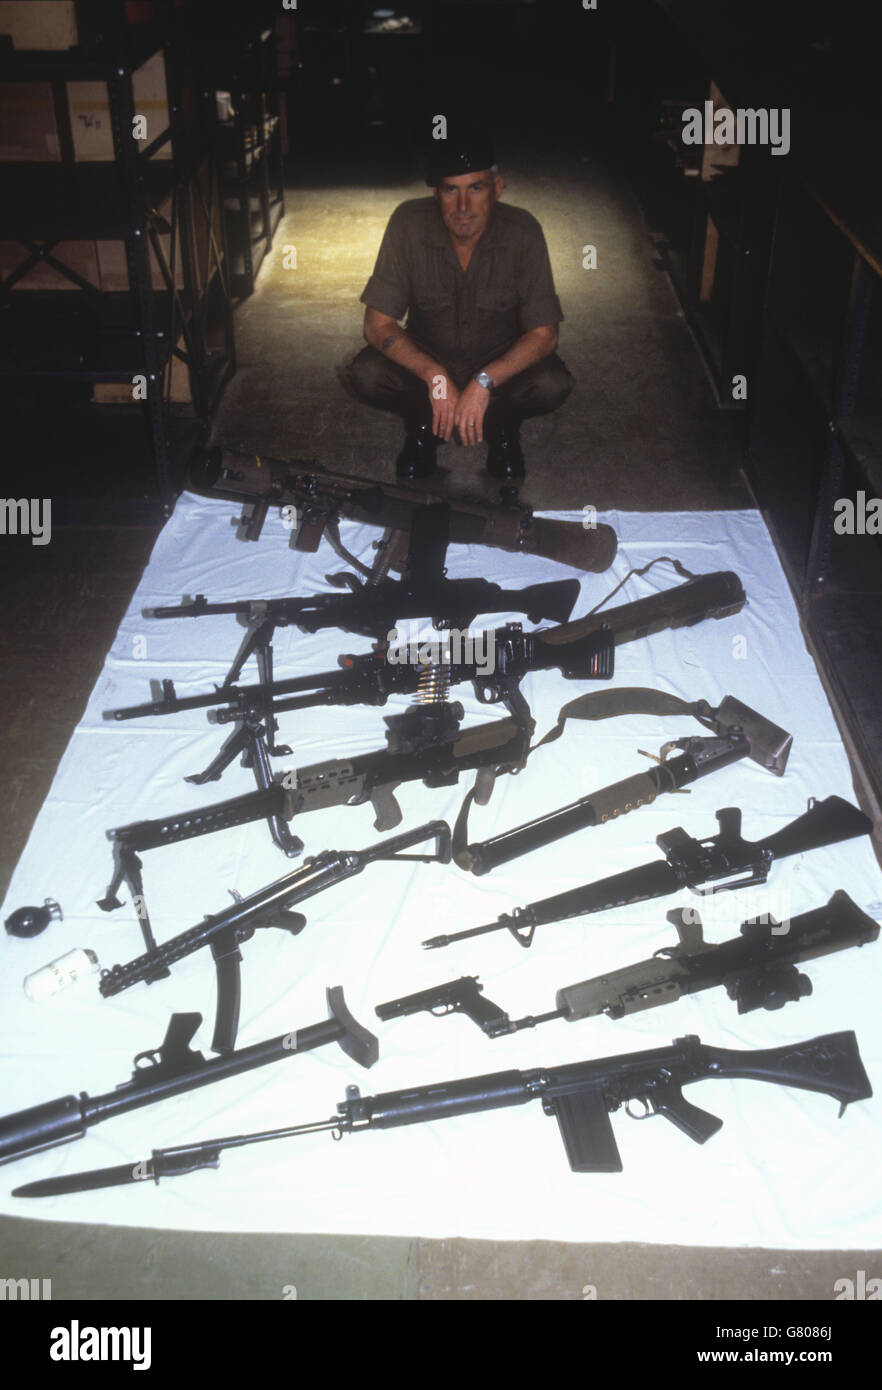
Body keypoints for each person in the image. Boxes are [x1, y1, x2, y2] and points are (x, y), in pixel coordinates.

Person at [346, 127, 573, 482]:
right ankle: (423, 426)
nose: (463, 207)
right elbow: (377, 324)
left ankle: (502, 426)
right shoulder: (408, 224)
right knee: (366, 373)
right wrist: (434, 376)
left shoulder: (523, 232)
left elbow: (544, 335)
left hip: (498, 359)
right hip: (429, 355)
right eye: (451, 190)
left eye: (476, 189)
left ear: (497, 189)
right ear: (436, 193)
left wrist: (484, 382)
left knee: (551, 382)